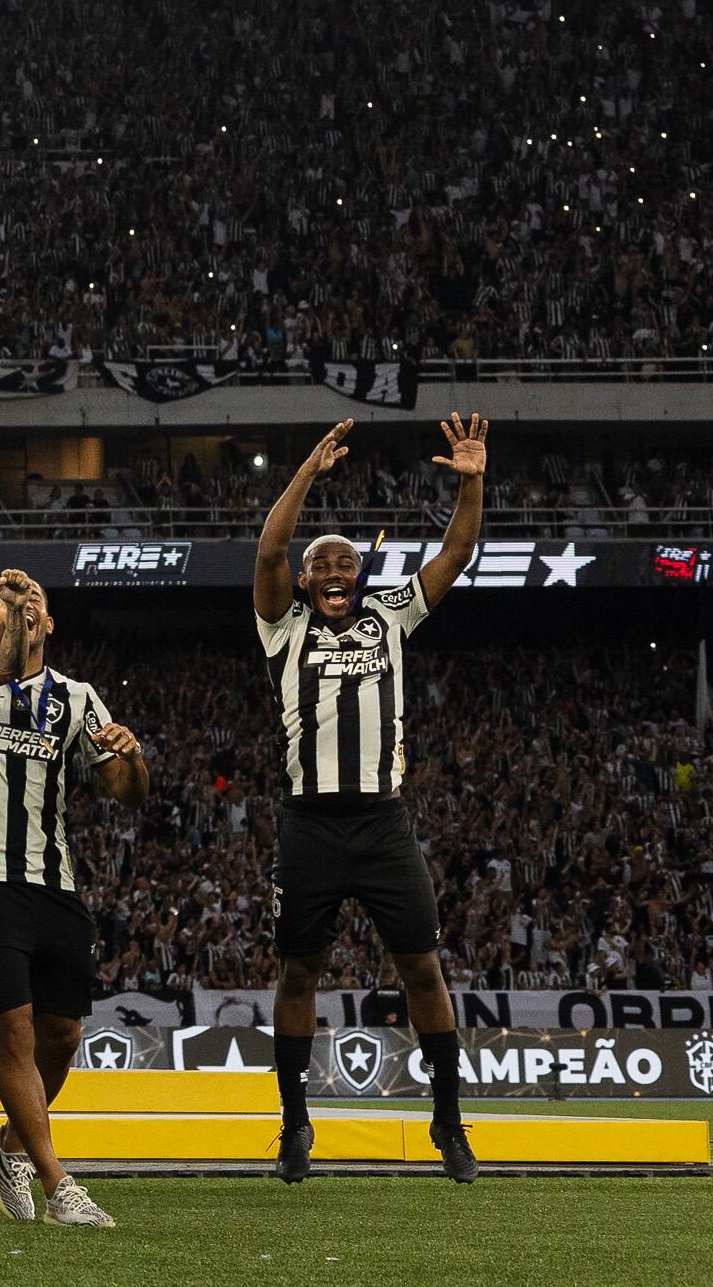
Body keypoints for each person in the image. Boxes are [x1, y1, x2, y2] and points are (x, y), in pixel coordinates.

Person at [251, 414, 490, 1185]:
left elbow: (456, 551)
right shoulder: (281, 626)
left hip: (384, 822)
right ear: (306, 577)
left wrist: (471, 478)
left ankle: (448, 1123)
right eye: (320, 560)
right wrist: (305, 476)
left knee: (422, 965)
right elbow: (267, 549)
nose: (330, 568)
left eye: (344, 561)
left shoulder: (391, 615)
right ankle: (294, 1124)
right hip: (309, 823)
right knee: (299, 971)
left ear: (359, 576)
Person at [0, 568, 142, 1228]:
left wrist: (130, 757)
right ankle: (59, 1185)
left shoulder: (77, 696)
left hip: (54, 882)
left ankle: (8, 1144)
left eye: (36, 605)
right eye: (9, 604)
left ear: (49, 624)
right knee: (15, 1032)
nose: (23, 612)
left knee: (63, 1031)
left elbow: (125, 792)